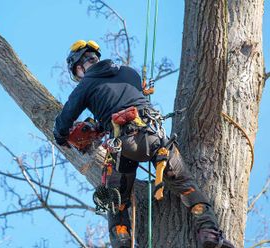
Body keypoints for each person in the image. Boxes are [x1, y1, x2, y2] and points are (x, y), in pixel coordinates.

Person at [53, 40, 234, 248]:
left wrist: (60, 136)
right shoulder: (129, 73)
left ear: (79, 67)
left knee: (116, 204)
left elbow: (63, 121)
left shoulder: (86, 84)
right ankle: (209, 232)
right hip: (155, 138)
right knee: (186, 184)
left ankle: (122, 243)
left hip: (123, 146)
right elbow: (121, 100)